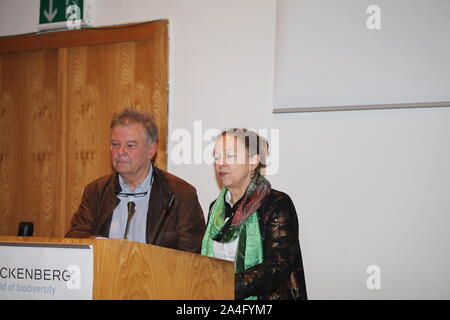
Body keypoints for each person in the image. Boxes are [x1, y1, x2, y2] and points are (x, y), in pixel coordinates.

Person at [66, 109, 205, 254]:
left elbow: (192, 257)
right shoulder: (96, 191)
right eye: (115, 144)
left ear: (151, 149)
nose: (120, 152)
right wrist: (103, 245)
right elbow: (75, 238)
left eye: (130, 145)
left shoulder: (180, 195)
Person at [201, 128, 307, 299]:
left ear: (253, 162)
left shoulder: (276, 204)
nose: (220, 163)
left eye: (230, 156)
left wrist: (225, 286)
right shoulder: (216, 208)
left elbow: (277, 268)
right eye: (216, 156)